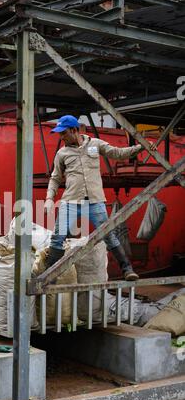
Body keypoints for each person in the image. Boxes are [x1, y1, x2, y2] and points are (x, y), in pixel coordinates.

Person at [44, 115, 156, 281]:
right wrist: (49, 198)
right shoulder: (62, 153)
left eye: (64, 133)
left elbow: (117, 153)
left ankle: (127, 269)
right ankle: (48, 276)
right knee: (58, 237)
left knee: (108, 235)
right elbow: (55, 178)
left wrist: (141, 148)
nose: (61, 137)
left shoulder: (96, 144)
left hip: (95, 201)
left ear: (74, 130)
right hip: (71, 201)